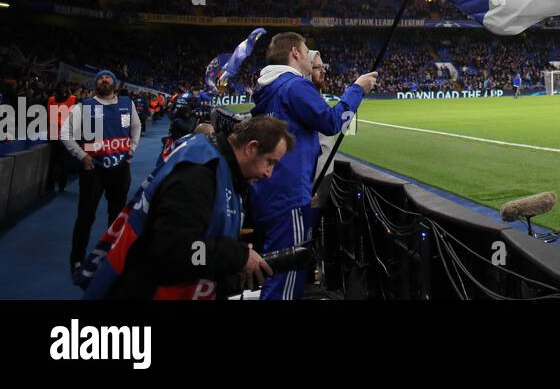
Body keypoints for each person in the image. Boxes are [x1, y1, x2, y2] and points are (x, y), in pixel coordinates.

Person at [80, 115, 292, 300]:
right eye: (270, 162)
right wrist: (238, 255)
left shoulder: (214, 162)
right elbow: (175, 250)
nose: (269, 173)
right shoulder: (199, 175)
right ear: (251, 148)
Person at [247, 33, 375, 300]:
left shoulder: (268, 88)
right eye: (306, 52)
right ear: (295, 53)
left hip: (271, 190)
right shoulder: (293, 86)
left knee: (278, 268)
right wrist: (357, 89)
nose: (309, 58)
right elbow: (331, 121)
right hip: (288, 193)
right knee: (287, 274)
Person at [63, 70, 140, 280]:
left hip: (120, 168)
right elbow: (65, 133)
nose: (104, 80)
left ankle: (113, 256)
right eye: (100, 78)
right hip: (93, 169)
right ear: (96, 83)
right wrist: (82, 156)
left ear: (114, 83)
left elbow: (136, 127)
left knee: (117, 217)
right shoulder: (84, 106)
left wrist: (131, 150)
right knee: (86, 216)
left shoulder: (127, 103)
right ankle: (77, 259)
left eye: (108, 77)